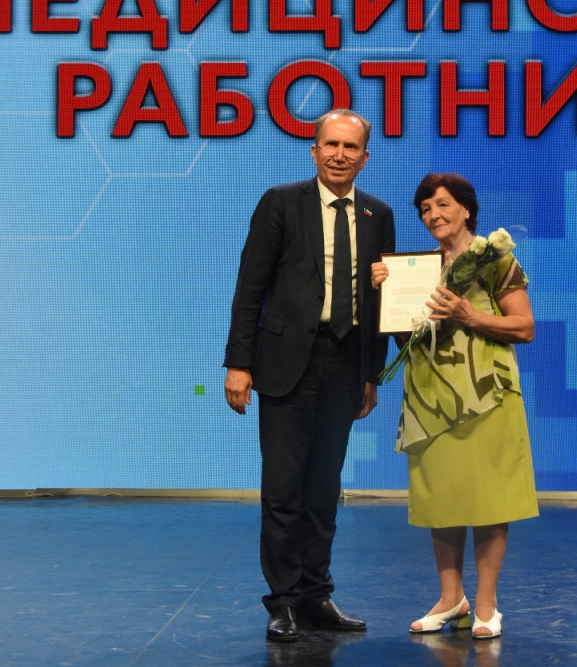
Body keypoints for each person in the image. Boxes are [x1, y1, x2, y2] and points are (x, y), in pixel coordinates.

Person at [223, 109, 396, 643]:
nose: (340, 155)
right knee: (283, 491)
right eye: (331, 145)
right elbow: (250, 287)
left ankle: (315, 594)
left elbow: (381, 302)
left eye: (351, 147)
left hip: (346, 365)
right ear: (314, 150)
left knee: (324, 489)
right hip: (284, 364)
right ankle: (281, 602)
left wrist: (371, 375)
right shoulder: (281, 202)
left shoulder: (378, 214)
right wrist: (239, 363)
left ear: (365, 157)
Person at [371, 173, 537, 641]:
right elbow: (405, 339)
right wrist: (384, 293)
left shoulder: (495, 260)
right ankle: (451, 599)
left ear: (466, 209)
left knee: (489, 498)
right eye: (425, 209)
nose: (433, 215)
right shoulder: (416, 268)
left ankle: (485, 603)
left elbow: (524, 327)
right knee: (441, 499)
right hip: (430, 397)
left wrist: (470, 315)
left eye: (442, 205)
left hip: (488, 395)